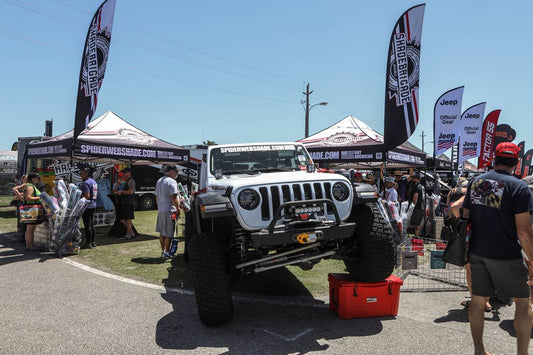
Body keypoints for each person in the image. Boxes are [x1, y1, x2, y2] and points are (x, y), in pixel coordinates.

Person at [462, 142, 533, 355]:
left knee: (477, 301)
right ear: (517, 162)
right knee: (523, 302)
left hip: (477, 251)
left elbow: (465, 217)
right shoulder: (519, 187)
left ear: (494, 158)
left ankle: (479, 351)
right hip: (506, 254)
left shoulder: (476, 182)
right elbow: (524, 231)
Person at [447, 177, 492, 312]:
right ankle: (487, 302)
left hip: (473, 236)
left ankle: (476, 301)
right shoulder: (493, 196)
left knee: (470, 270)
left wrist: (462, 220)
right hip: (491, 237)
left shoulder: (471, 195)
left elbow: (454, 207)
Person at [155, 164, 181, 259]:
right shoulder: (172, 181)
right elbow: (173, 197)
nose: (176, 174)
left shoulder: (159, 181)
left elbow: (157, 197)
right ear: (170, 171)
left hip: (161, 210)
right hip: (169, 210)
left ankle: (163, 251)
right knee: (169, 233)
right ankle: (167, 252)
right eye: (175, 171)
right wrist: (178, 209)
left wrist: (160, 207)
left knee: (162, 232)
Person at [80, 166, 98, 249]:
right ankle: (93, 241)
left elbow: (87, 196)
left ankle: (88, 243)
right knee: (91, 224)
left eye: (82, 174)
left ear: (87, 174)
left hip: (87, 205)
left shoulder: (86, 183)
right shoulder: (94, 181)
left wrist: (80, 195)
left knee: (87, 225)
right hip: (93, 204)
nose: (81, 175)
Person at [23, 173, 42, 251]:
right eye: (37, 178)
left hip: (30, 208)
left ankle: (28, 245)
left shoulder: (30, 185)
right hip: (32, 209)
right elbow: (28, 198)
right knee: (31, 229)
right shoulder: (30, 186)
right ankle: (31, 246)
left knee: (28, 228)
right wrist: (40, 197)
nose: (38, 179)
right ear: (32, 178)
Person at [117, 167, 136, 239]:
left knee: (128, 219)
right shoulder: (127, 181)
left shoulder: (131, 181)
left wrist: (121, 192)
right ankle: (131, 232)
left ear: (128, 173)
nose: (124, 174)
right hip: (125, 202)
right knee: (123, 218)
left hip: (128, 202)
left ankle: (128, 234)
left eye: (125, 173)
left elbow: (131, 191)